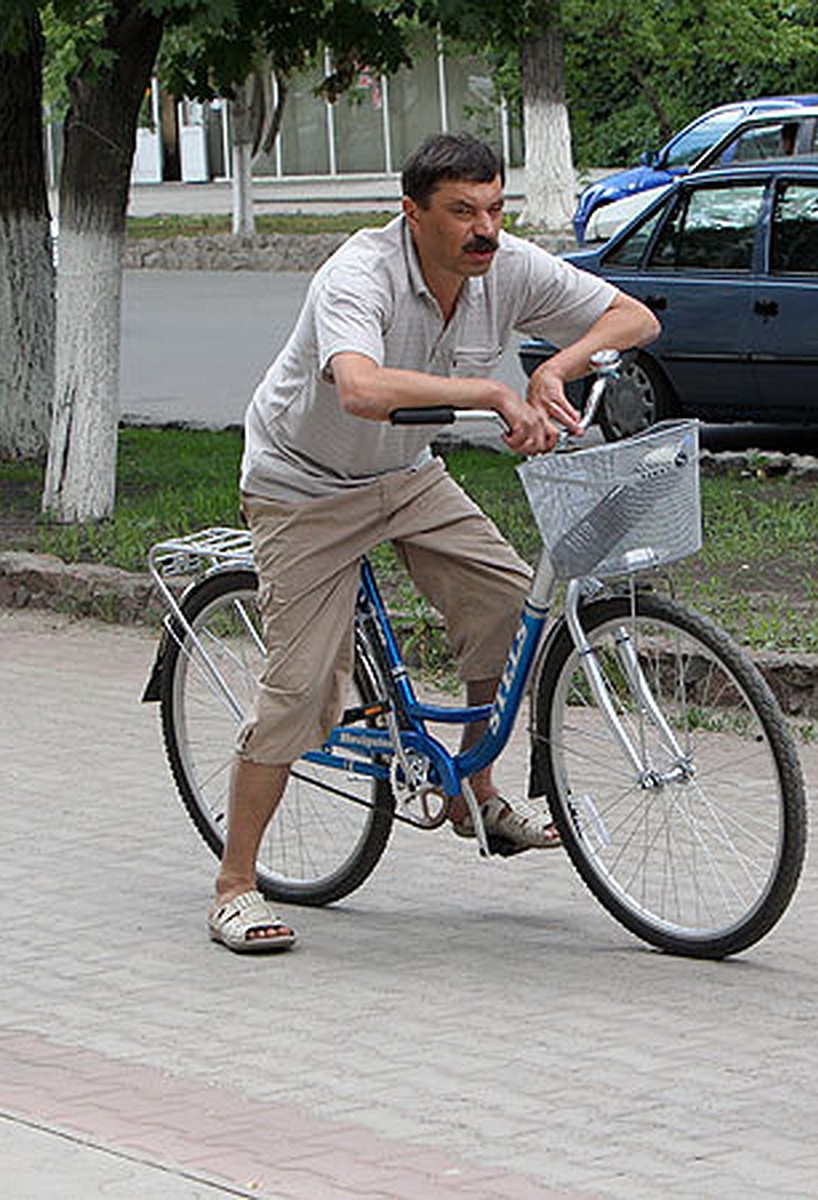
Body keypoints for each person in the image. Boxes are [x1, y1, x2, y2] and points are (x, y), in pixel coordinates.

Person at [207, 132, 660, 954]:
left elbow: (635, 317)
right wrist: (493, 390)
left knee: (505, 603)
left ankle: (474, 792)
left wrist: (555, 368)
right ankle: (236, 882)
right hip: (304, 486)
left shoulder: (506, 265)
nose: (483, 229)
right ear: (411, 214)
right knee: (304, 688)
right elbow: (361, 387)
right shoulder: (357, 274)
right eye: (461, 212)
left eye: (493, 208)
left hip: (406, 474)